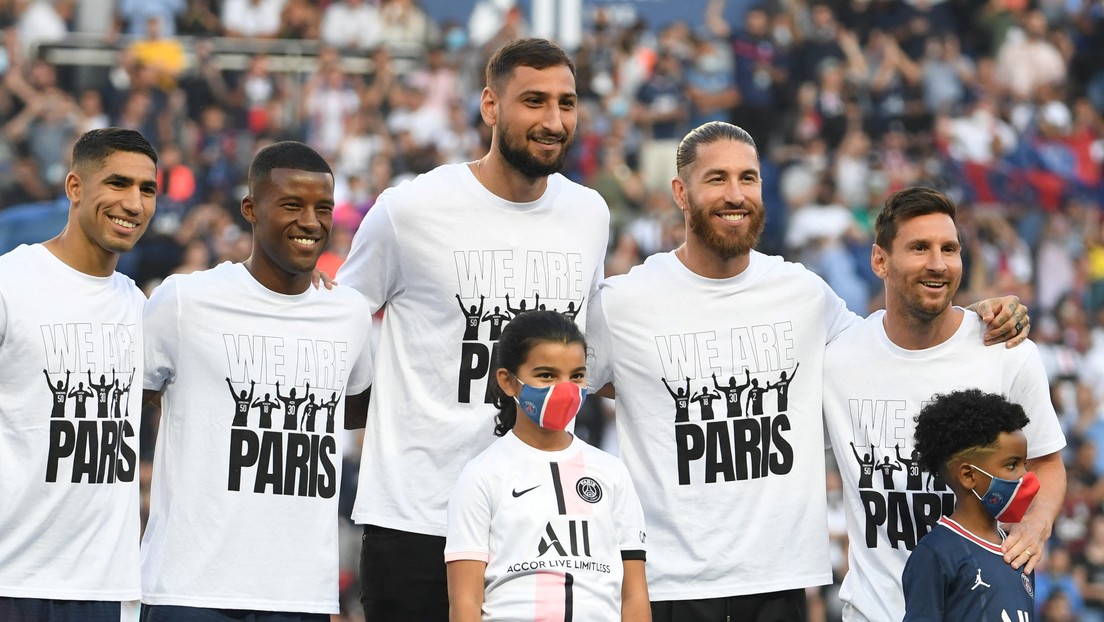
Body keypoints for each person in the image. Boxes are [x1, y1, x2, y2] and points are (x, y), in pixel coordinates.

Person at [585, 121, 1026, 621]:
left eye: (748, 178)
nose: (736, 194)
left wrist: (977, 316)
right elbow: (566, 378)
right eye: (717, 179)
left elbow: (889, 347)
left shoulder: (803, 292)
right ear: (680, 193)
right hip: (670, 581)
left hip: (784, 580)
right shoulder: (625, 302)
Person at [336, 38, 609, 619]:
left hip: (539, 520)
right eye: (533, 101)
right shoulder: (409, 210)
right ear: (490, 106)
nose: (553, 120)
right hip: (417, 519)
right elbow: (340, 326)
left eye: (566, 103)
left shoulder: (589, 214)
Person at [139, 141, 374, 620]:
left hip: (299, 592)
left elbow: (352, 409)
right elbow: (135, 400)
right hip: (188, 587)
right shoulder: (185, 301)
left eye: (323, 208)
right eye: (292, 204)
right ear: (250, 208)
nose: (311, 222)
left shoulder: (348, 313)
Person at [821, 186, 1065, 622]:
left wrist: (1035, 525)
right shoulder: (837, 361)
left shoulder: (1006, 350)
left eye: (949, 248)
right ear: (879, 261)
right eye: (919, 248)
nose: (938, 263)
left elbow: (1047, 461)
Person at [0, 128, 157, 621]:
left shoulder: (141, 308)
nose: (133, 203)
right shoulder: (11, 284)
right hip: (12, 578)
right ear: (74, 188)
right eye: (117, 184)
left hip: (103, 588)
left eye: (147, 189)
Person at [444, 310, 650, 621]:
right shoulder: (482, 476)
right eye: (546, 375)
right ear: (508, 382)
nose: (565, 389)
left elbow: (633, 595)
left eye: (576, 375)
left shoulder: (612, 472)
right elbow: (466, 602)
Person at [902, 389, 1038, 621]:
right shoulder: (936, 553)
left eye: (1025, 463)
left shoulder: (1019, 551)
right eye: (1012, 465)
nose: (1025, 476)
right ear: (968, 476)